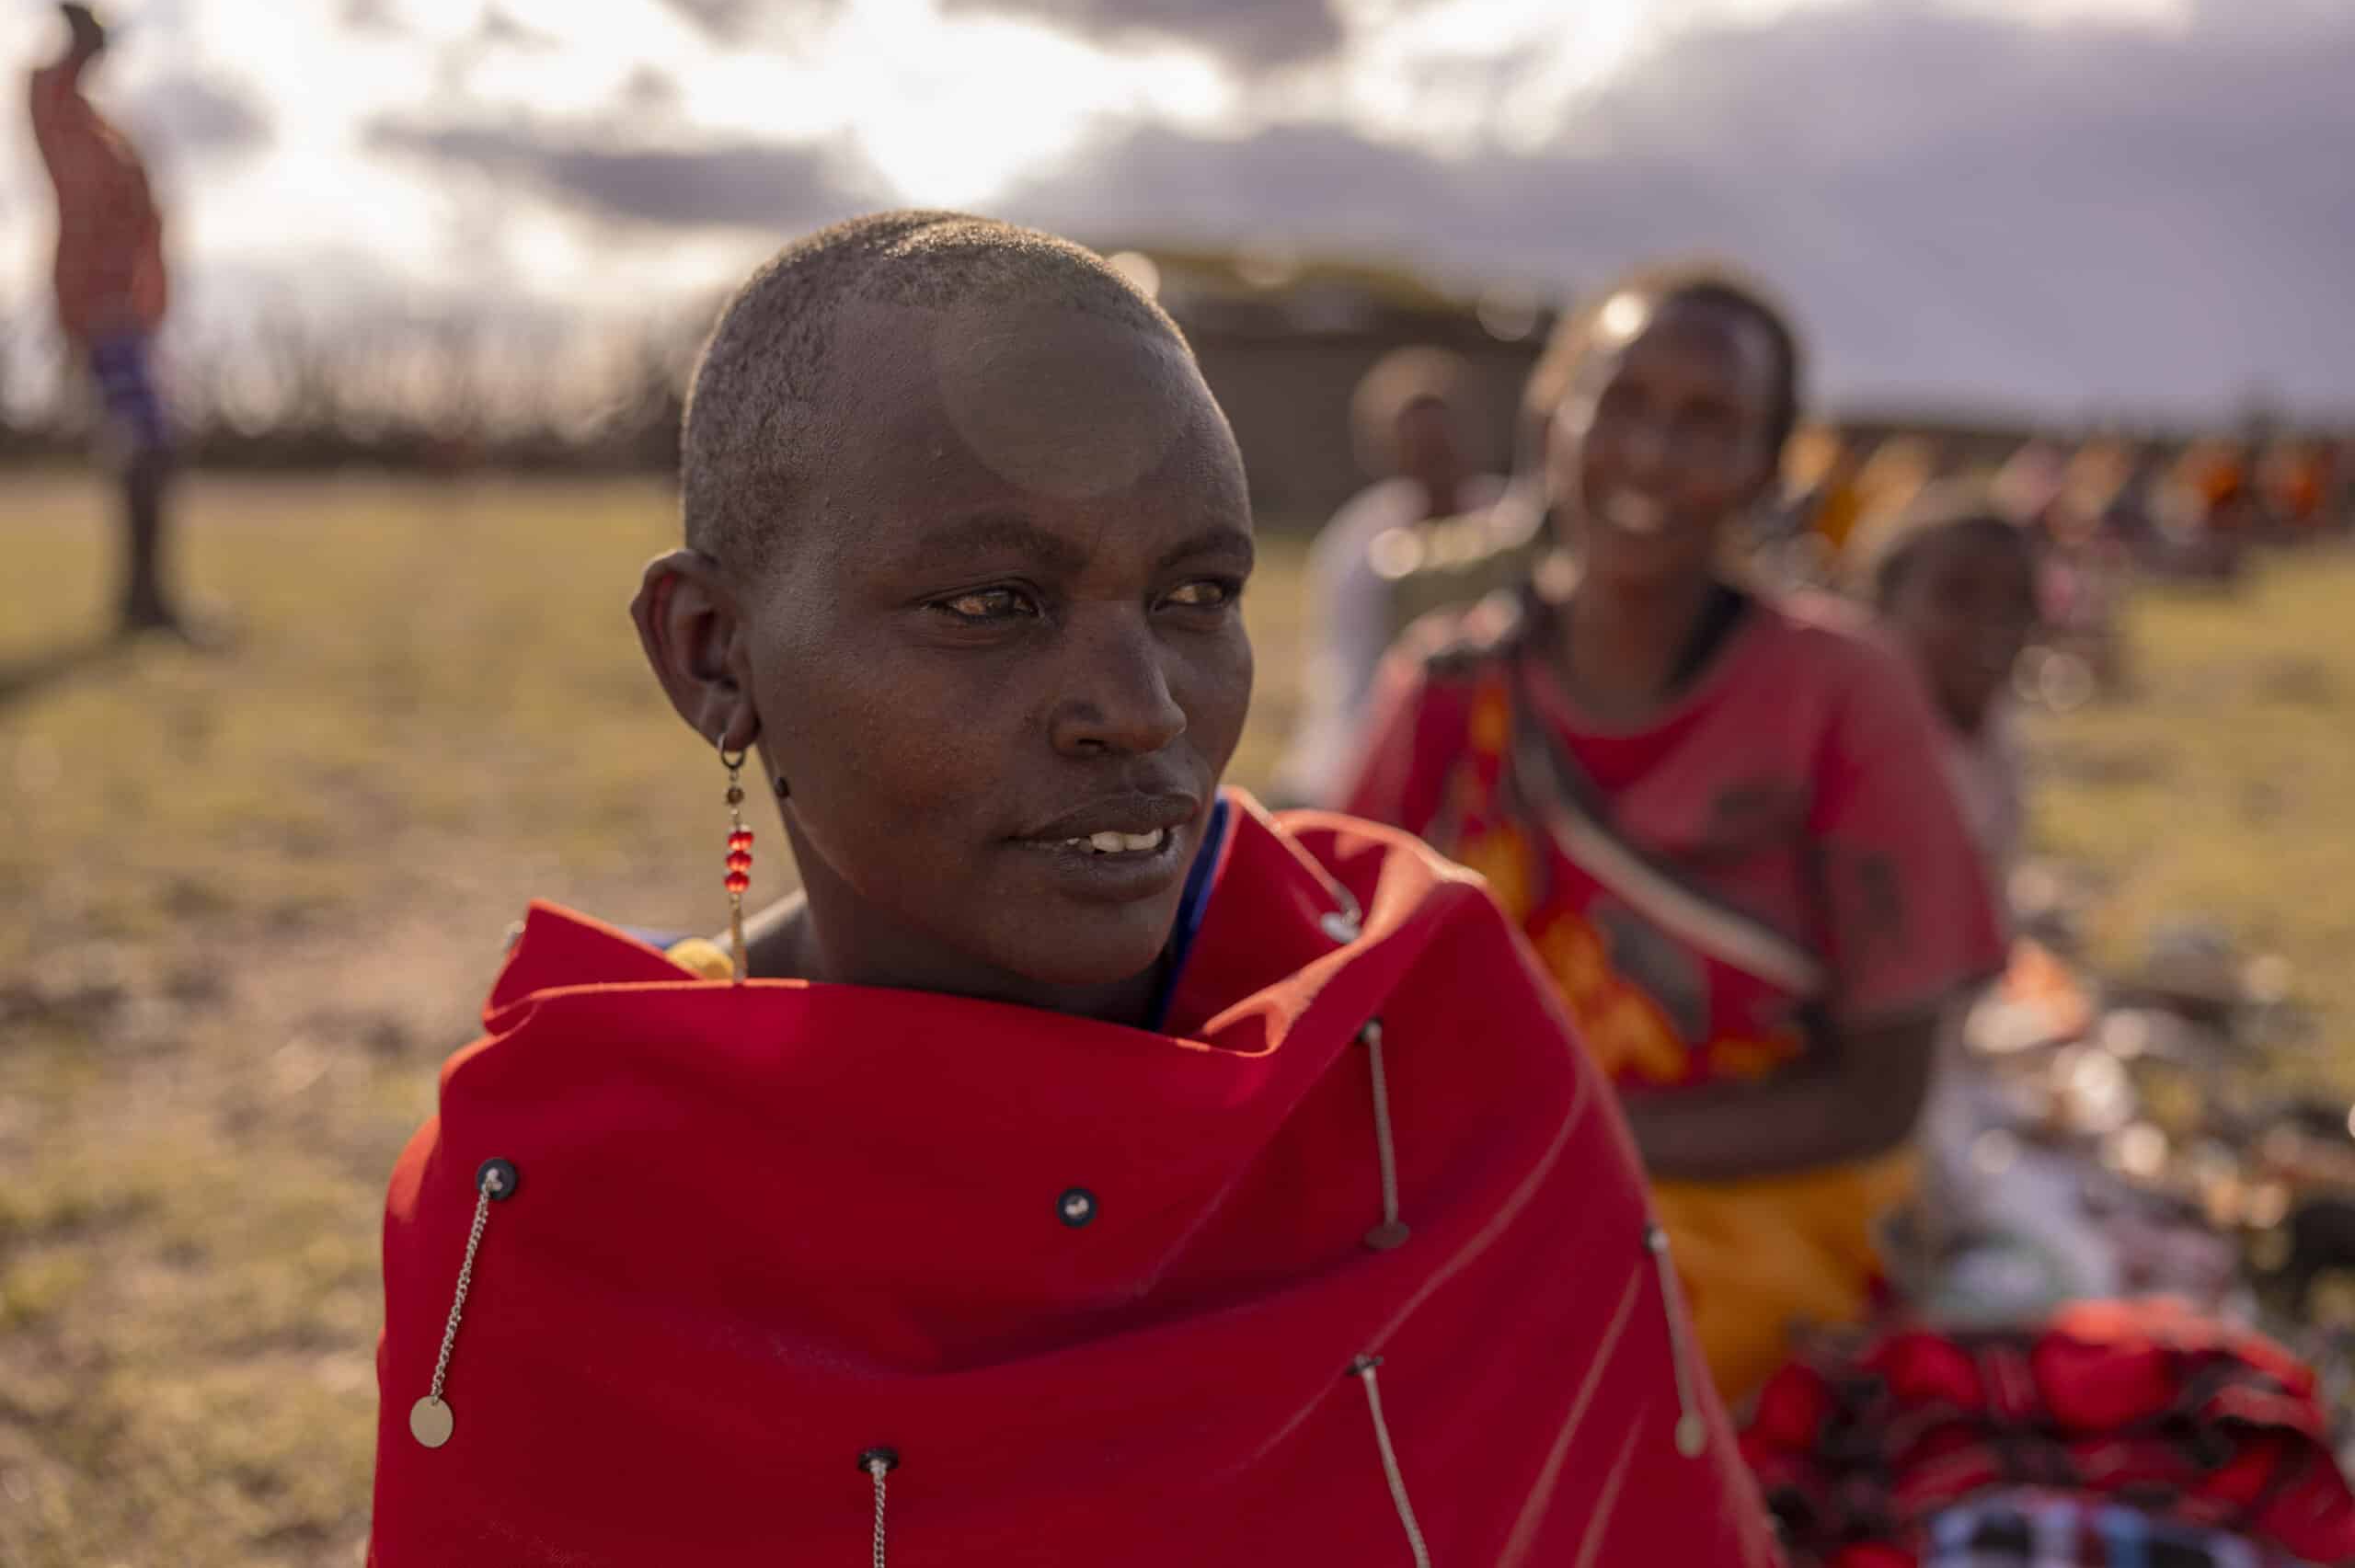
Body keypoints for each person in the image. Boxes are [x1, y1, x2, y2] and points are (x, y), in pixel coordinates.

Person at [367, 214, 1778, 1566]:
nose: (1141, 708)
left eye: (1196, 594)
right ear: (715, 653)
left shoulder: (1428, 1046)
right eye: (993, 604)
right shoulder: (560, 1209)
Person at [1338, 262, 2006, 1407]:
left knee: (1575, 1375)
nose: (1652, 453)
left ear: (1766, 464)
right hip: (1469, 1193)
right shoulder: (1448, 693)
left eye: (1710, 422)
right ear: (1555, 419)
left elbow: (1881, 1092)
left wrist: (1556, 1145)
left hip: (1756, 1213)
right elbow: (1341, 1006)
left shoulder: (1841, 694)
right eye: (1624, 402)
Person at [28, 2, 206, 642]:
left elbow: (148, 218)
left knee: (150, 449)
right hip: (98, 314)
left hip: (130, 317)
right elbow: (54, 75)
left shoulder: (107, 130)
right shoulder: (58, 112)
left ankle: (145, 600)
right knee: (146, 448)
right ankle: (144, 605)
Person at [1271, 347, 1504, 807]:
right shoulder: (1360, 545)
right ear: (1386, 452)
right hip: (1378, 742)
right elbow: (1348, 682)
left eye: (1440, 445)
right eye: (1415, 450)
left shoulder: (1508, 528)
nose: (1431, 463)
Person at [1852, 482, 2039, 877]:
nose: (1996, 622)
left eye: (2018, 600)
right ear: (1883, 606)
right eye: (1958, 595)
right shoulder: (1846, 747)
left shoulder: (1992, 735)